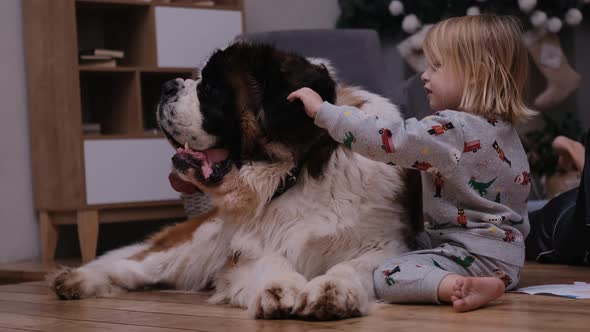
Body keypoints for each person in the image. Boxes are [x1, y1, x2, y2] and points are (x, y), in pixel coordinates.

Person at [287, 15, 536, 312]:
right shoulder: (506, 132)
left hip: (466, 255)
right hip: (509, 260)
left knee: (385, 273)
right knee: (410, 244)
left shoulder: (450, 130)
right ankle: (482, 283)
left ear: (476, 75)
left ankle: (451, 286)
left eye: (437, 66)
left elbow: (390, 140)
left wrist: (324, 112)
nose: (424, 75)